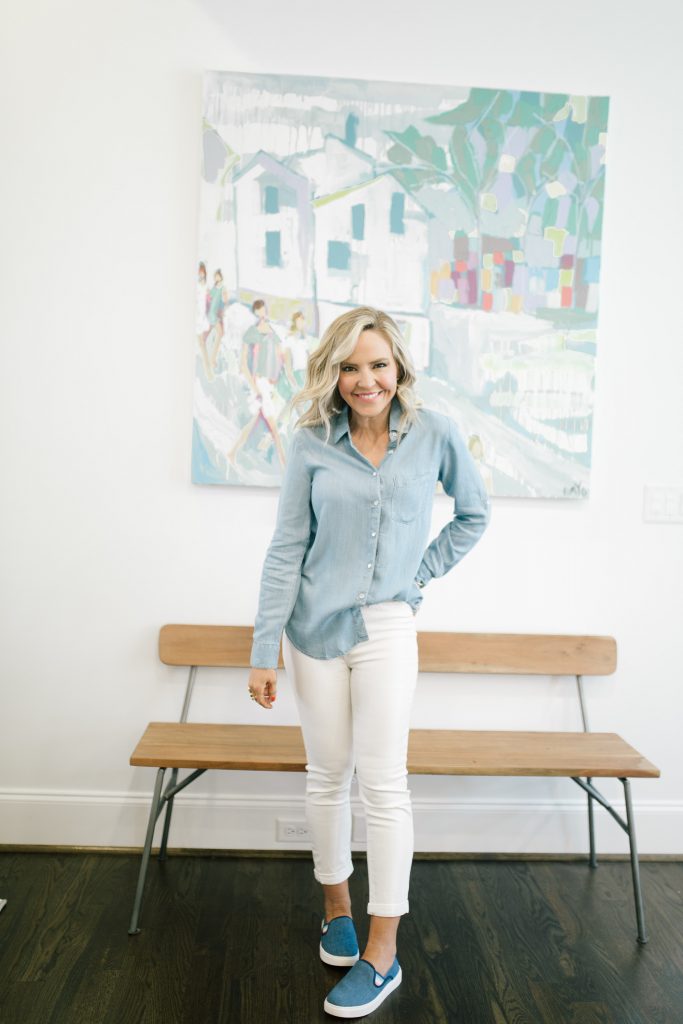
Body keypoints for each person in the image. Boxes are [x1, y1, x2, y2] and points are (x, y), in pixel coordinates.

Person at [247, 306, 490, 1018]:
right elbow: (286, 549)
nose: (364, 380)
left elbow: (473, 515)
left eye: (376, 364)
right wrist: (264, 649)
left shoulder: (435, 435)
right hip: (312, 630)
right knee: (327, 775)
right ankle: (336, 912)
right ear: (334, 373)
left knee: (384, 783)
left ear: (399, 368)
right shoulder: (312, 444)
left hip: (386, 625)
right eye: (349, 367)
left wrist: (420, 574)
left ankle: (382, 952)